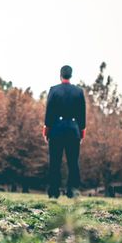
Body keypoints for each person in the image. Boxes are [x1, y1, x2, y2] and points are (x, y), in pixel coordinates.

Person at [43, 65, 86, 198]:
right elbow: (82, 114)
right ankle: (72, 191)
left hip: (56, 129)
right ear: (71, 75)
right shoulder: (78, 92)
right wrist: (81, 131)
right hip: (73, 130)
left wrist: (46, 130)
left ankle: (54, 192)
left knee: (55, 162)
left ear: (60, 75)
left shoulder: (54, 90)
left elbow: (49, 111)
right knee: (73, 162)